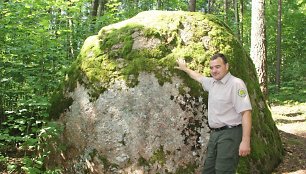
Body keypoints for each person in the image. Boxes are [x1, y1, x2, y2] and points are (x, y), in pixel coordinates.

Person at [175, 53, 252, 174]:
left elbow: (246, 113)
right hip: (215, 134)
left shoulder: (236, 84)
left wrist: (245, 141)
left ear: (227, 66)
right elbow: (199, 77)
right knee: (209, 170)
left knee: (223, 170)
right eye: (211, 68)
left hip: (230, 133)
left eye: (218, 67)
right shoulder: (212, 83)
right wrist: (185, 69)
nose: (214, 70)